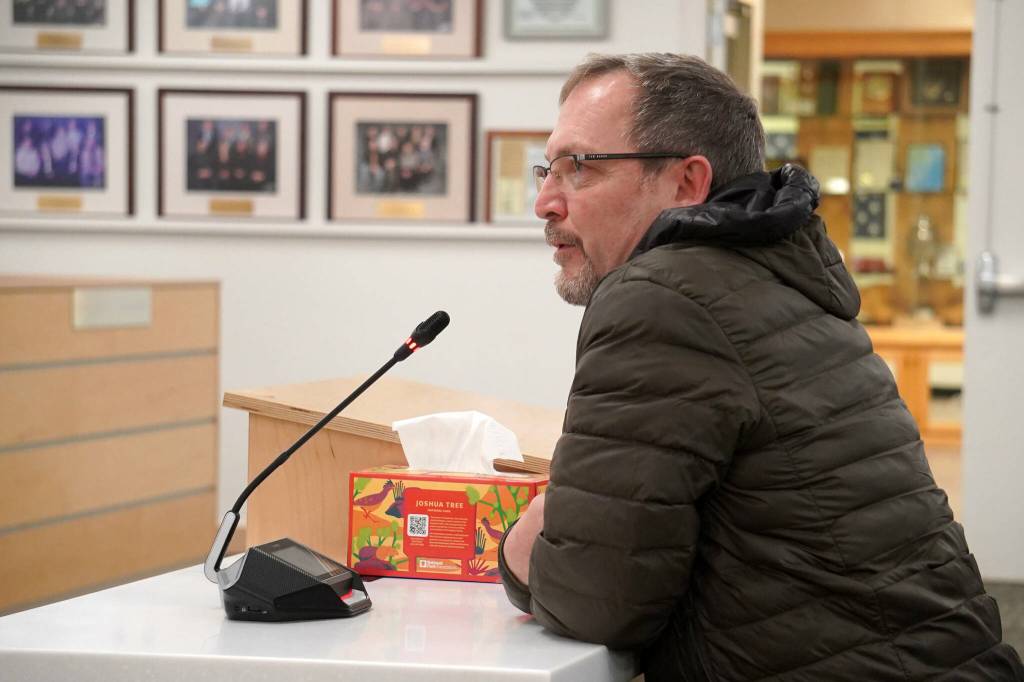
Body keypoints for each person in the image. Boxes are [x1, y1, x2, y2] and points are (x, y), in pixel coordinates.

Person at [497, 53, 1024, 681]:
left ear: (687, 183)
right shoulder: (773, 275)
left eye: (578, 167)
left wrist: (518, 540)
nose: (545, 202)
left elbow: (594, 599)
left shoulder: (662, 295)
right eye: (545, 168)